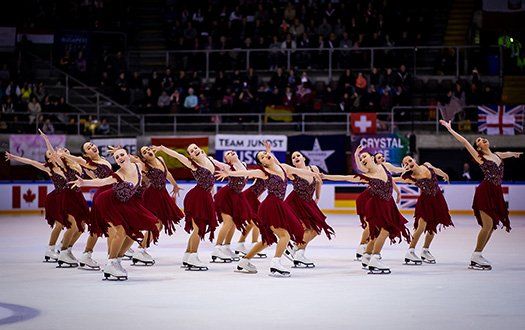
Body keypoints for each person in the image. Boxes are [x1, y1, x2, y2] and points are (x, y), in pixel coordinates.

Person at [216, 142, 320, 277]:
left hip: (278, 205)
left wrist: (316, 176)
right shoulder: (264, 172)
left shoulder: (284, 168)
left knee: (267, 240)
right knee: (285, 236)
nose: (266, 156)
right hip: (270, 206)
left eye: (266, 154)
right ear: (262, 163)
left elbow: (300, 171)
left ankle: (244, 261)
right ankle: (276, 263)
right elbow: (247, 172)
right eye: (262, 156)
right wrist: (229, 173)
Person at [440, 120, 522, 270]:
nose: (482, 139)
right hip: (485, 191)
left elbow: (509, 153)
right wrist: (450, 129)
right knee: (488, 225)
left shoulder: (497, 155)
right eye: (479, 140)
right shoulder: (480, 157)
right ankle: (476, 255)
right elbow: (464, 142)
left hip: (496, 192)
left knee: (492, 227)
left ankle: (478, 255)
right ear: (479, 147)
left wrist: (517, 154)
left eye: (483, 138)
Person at [69, 147, 160, 280]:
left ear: (128, 156)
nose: (120, 158)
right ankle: (111, 262)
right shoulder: (119, 174)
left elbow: (147, 163)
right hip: (110, 202)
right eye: (117, 158)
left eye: (122, 155)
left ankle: (117, 259)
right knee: (120, 231)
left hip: (128, 203)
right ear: (117, 162)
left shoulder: (138, 166)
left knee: (135, 232)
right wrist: (83, 182)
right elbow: (102, 181)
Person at [322, 148, 411, 274]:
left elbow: (394, 175)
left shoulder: (384, 166)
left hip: (388, 203)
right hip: (377, 205)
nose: (363, 160)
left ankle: (367, 256)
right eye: (361, 159)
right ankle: (375, 258)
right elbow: (345, 177)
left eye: (365, 157)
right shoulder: (367, 176)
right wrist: (325, 176)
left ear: (372, 157)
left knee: (376, 233)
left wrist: (404, 171)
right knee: (385, 231)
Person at [156, 144, 218, 271]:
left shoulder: (208, 159)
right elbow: (177, 156)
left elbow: (211, 179)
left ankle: (188, 255)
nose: (194, 150)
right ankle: (193, 256)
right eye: (191, 151)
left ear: (200, 149)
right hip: (197, 197)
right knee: (199, 228)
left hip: (204, 196)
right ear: (190, 156)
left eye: (195, 148)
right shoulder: (193, 164)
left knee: (199, 228)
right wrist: (163, 148)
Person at [5, 150, 67, 264]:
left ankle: (62, 245)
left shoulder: (65, 166)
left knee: (74, 224)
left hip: (68, 198)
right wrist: (14, 157)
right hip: (56, 198)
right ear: (48, 160)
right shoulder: (49, 168)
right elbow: (31, 162)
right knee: (59, 224)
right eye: (49, 154)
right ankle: (50, 249)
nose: (52, 153)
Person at [394, 155, 454, 264]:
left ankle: (425, 250)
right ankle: (410, 251)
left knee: (432, 227)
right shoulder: (411, 177)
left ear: (414, 160)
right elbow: (394, 179)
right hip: (425, 202)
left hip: (437, 199)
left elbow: (437, 170)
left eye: (409, 160)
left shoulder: (427, 165)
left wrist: (444, 174)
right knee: (421, 227)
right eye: (406, 163)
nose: (409, 163)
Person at [284, 151, 334, 268]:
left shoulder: (314, 169)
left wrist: (318, 196)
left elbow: (318, 183)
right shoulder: (292, 172)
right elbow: (279, 167)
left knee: (316, 229)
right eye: (293, 157)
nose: (296, 157)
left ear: (303, 158)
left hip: (308, 202)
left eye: (298, 155)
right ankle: (299, 254)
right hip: (295, 203)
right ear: (292, 162)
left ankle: (296, 248)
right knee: (306, 228)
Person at [134, 146, 184, 265]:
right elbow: (132, 160)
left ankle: (142, 249)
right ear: (143, 158)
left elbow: (167, 174)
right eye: (144, 152)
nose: (148, 152)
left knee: (159, 226)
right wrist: (122, 155)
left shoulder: (160, 159)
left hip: (162, 194)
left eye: (148, 149)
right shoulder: (145, 165)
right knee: (155, 224)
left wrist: (175, 185)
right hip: (152, 195)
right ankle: (140, 250)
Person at [354, 150, 402, 261]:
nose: (382, 159)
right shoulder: (370, 169)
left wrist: (398, 191)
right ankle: (362, 247)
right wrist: (356, 155)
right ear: (373, 159)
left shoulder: (385, 167)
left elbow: (393, 177)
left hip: (382, 198)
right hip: (369, 197)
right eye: (379, 157)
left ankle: (369, 251)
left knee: (377, 226)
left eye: (382, 157)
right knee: (371, 224)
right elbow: (360, 168)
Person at [211, 150, 254, 263]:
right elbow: (215, 162)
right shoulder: (228, 167)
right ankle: (217, 248)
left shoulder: (243, 165)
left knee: (234, 223)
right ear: (228, 160)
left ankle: (226, 246)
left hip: (237, 196)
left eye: (231, 152)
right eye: (228, 154)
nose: (231, 152)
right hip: (226, 196)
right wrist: (207, 158)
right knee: (228, 222)